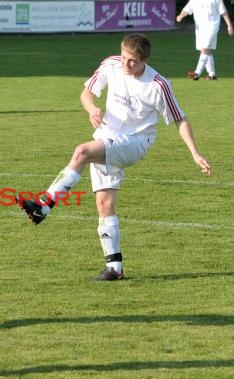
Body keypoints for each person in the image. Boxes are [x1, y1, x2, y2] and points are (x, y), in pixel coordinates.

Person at [17, 33, 211, 281]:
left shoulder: (158, 85)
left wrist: (195, 153)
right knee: (104, 204)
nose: (126, 64)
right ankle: (115, 268)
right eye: (124, 58)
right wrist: (92, 109)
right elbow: (86, 93)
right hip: (107, 136)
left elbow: (180, 119)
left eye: (133, 61)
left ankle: (44, 206)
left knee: (82, 151)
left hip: (135, 143)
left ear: (144, 60)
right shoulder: (111, 64)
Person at [176, 0, 233, 80]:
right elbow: (187, 9)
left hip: (212, 26)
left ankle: (197, 73)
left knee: (204, 49)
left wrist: (229, 25)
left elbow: (223, 11)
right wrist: (180, 16)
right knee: (206, 51)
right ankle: (212, 75)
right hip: (199, 28)